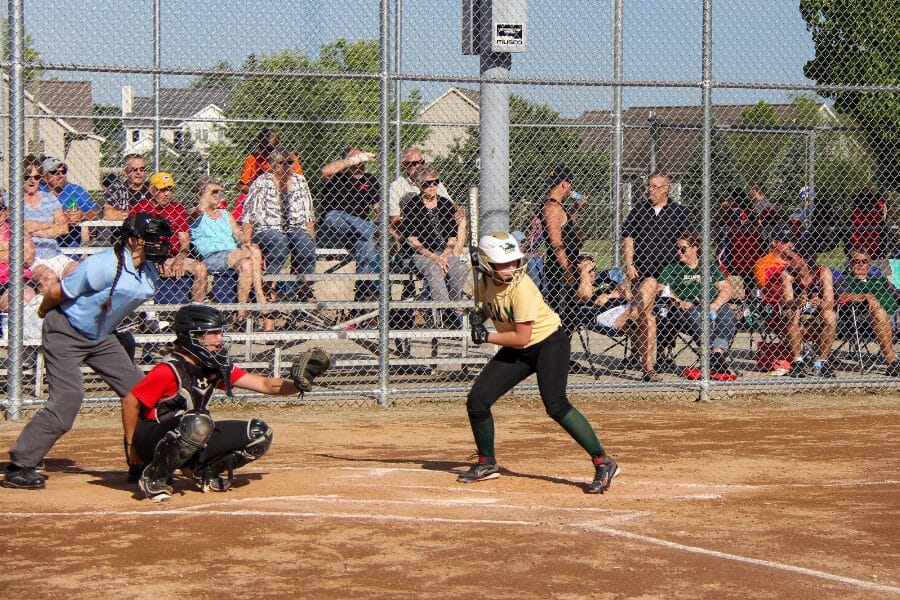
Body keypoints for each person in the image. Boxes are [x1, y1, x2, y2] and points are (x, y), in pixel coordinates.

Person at [1, 213, 172, 490]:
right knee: (68, 399)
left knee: (143, 392)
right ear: (131, 241)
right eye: (150, 239)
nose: (159, 244)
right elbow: (58, 292)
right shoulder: (103, 265)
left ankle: (139, 461)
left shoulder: (148, 268)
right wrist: (46, 313)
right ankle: (20, 465)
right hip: (65, 330)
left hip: (101, 337)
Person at [121, 304, 331, 502]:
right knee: (197, 421)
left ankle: (201, 471)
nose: (219, 339)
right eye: (212, 333)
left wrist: (298, 385)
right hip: (152, 439)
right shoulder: (169, 369)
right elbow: (131, 401)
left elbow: (265, 384)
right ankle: (154, 478)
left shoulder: (213, 366)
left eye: (220, 333)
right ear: (193, 337)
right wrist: (132, 445)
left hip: (191, 431)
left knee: (259, 434)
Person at [461, 232, 619, 494]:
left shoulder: (522, 287)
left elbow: (522, 337)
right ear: (487, 265)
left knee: (555, 405)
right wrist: (480, 315)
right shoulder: (485, 280)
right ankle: (486, 462)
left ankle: (603, 461)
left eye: (513, 261)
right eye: (504, 262)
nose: (512, 267)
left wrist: (486, 335)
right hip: (520, 347)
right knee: (477, 401)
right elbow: (492, 305)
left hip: (548, 343)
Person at [621, 171, 696, 380]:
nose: (649, 190)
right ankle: (648, 365)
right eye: (649, 186)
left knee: (653, 285)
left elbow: (688, 244)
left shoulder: (679, 212)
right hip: (641, 275)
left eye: (654, 187)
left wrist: (683, 270)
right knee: (649, 314)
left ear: (665, 189)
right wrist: (629, 264)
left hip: (668, 280)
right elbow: (628, 237)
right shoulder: (639, 210)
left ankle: (633, 317)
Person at [189, 176, 271, 329]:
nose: (218, 196)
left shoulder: (226, 214)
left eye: (219, 192)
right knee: (249, 252)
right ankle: (260, 296)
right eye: (213, 192)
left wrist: (247, 232)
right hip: (212, 257)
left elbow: (240, 237)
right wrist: (206, 196)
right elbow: (198, 210)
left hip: (234, 255)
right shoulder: (195, 213)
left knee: (248, 262)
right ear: (200, 195)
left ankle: (240, 313)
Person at [241, 145, 317, 302]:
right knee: (279, 241)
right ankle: (267, 286)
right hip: (266, 229)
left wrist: (310, 236)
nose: (288, 166)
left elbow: (308, 212)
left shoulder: (300, 181)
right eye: (283, 162)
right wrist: (246, 241)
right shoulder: (262, 182)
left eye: (290, 162)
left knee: (306, 246)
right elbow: (249, 213)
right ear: (272, 164)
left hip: (295, 228)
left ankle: (305, 289)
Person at [657, 232, 737, 380]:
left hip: (711, 306)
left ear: (694, 248)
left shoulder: (708, 266)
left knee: (728, 313)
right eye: (677, 248)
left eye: (682, 249)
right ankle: (717, 361)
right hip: (687, 309)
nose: (678, 252)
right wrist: (679, 301)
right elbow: (661, 289)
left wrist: (715, 304)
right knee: (693, 313)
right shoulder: (673, 268)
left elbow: (727, 288)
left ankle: (715, 355)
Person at [400, 166, 467, 327]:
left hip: (443, 251)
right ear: (419, 186)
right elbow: (412, 241)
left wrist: (444, 255)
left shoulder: (445, 204)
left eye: (435, 182)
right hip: (421, 254)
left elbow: (452, 237)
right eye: (426, 184)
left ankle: (453, 306)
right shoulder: (412, 206)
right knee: (434, 269)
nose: (432, 187)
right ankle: (446, 313)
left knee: (460, 269)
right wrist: (435, 258)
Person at [131, 172, 209, 303]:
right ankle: (151, 316)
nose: (167, 193)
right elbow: (137, 241)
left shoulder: (177, 208)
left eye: (169, 189)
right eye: (162, 190)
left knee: (201, 269)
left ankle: (197, 310)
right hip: (150, 256)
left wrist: (178, 259)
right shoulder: (141, 208)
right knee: (145, 265)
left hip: (173, 257)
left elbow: (184, 242)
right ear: (152, 189)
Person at [574, 255, 654, 377]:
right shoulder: (577, 284)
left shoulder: (607, 276)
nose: (593, 273)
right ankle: (648, 369)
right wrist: (584, 273)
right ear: (579, 269)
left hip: (628, 307)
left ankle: (634, 315)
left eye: (594, 269)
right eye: (589, 270)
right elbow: (585, 296)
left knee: (651, 281)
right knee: (649, 319)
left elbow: (627, 294)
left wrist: (612, 294)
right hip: (607, 315)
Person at [319, 147, 380, 302]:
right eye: (355, 163)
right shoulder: (336, 176)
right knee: (333, 216)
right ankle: (371, 229)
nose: (359, 166)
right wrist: (353, 160)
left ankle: (364, 290)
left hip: (357, 235)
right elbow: (324, 171)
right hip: (333, 232)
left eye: (362, 163)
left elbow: (378, 207)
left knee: (366, 241)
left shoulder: (369, 180)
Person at [763, 252, 837, 378]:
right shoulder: (787, 273)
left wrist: (819, 302)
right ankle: (798, 361)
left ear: (804, 260)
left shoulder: (822, 271)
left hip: (817, 315)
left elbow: (830, 303)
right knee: (793, 312)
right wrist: (796, 302)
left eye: (791, 259)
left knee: (830, 315)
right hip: (795, 315)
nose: (787, 262)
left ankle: (823, 362)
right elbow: (788, 302)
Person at [17, 157, 77, 294]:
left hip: (54, 253)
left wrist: (33, 230)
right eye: (27, 177)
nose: (32, 181)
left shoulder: (50, 199)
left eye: (37, 177)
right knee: (48, 276)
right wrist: (51, 226)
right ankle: (46, 314)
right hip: (31, 257)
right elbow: (21, 227)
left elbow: (63, 228)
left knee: (77, 271)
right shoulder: (13, 199)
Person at [835, 247, 899, 377]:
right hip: (863, 320)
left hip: (895, 317)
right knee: (879, 312)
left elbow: (896, 294)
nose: (860, 264)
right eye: (856, 261)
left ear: (869, 264)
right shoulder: (844, 279)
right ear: (849, 263)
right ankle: (892, 362)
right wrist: (864, 296)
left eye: (864, 261)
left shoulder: (879, 279)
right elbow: (840, 297)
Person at [540, 165, 588, 333]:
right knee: (563, 316)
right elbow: (556, 243)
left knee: (569, 316)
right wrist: (567, 270)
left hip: (566, 267)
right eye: (571, 184)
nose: (571, 188)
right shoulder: (552, 208)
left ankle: (563, 355)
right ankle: (559, 355)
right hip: (559, 271)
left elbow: (566, 223)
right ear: (565, 185)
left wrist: (576, 207)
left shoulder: (558, 207)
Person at [39, 156, 100, 248]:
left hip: (71, 249)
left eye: (63, 172)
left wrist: (81, 215)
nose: (61, 176)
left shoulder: (75, 190)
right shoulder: (38, 191)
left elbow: (95, 213)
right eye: (55, 172)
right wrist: (62, 218)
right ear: (44, 176)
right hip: (43, 246)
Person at [238, 127, 305, 195]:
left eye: (272, 151)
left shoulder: (288, 157)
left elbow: (299, 180)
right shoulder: (253, 158)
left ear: (278, 146)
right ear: (260, 147)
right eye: (266, 151)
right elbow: (241, 185)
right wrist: (258, 194)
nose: (269, 155)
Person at [104, 154, 150, 220]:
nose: (139, 172)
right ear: (126, 172)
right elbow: (108, 215)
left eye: (142, 169)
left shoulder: (152, 188)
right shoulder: (117, 188)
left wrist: (124, 214)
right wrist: (136, 216)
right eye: (134, 169)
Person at [753, 226, 795, 290]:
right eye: (785, 241)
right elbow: (766, 288)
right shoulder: (762, 263)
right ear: (774, 243)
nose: (790, 245)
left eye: (791, 241)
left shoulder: (795, 261)